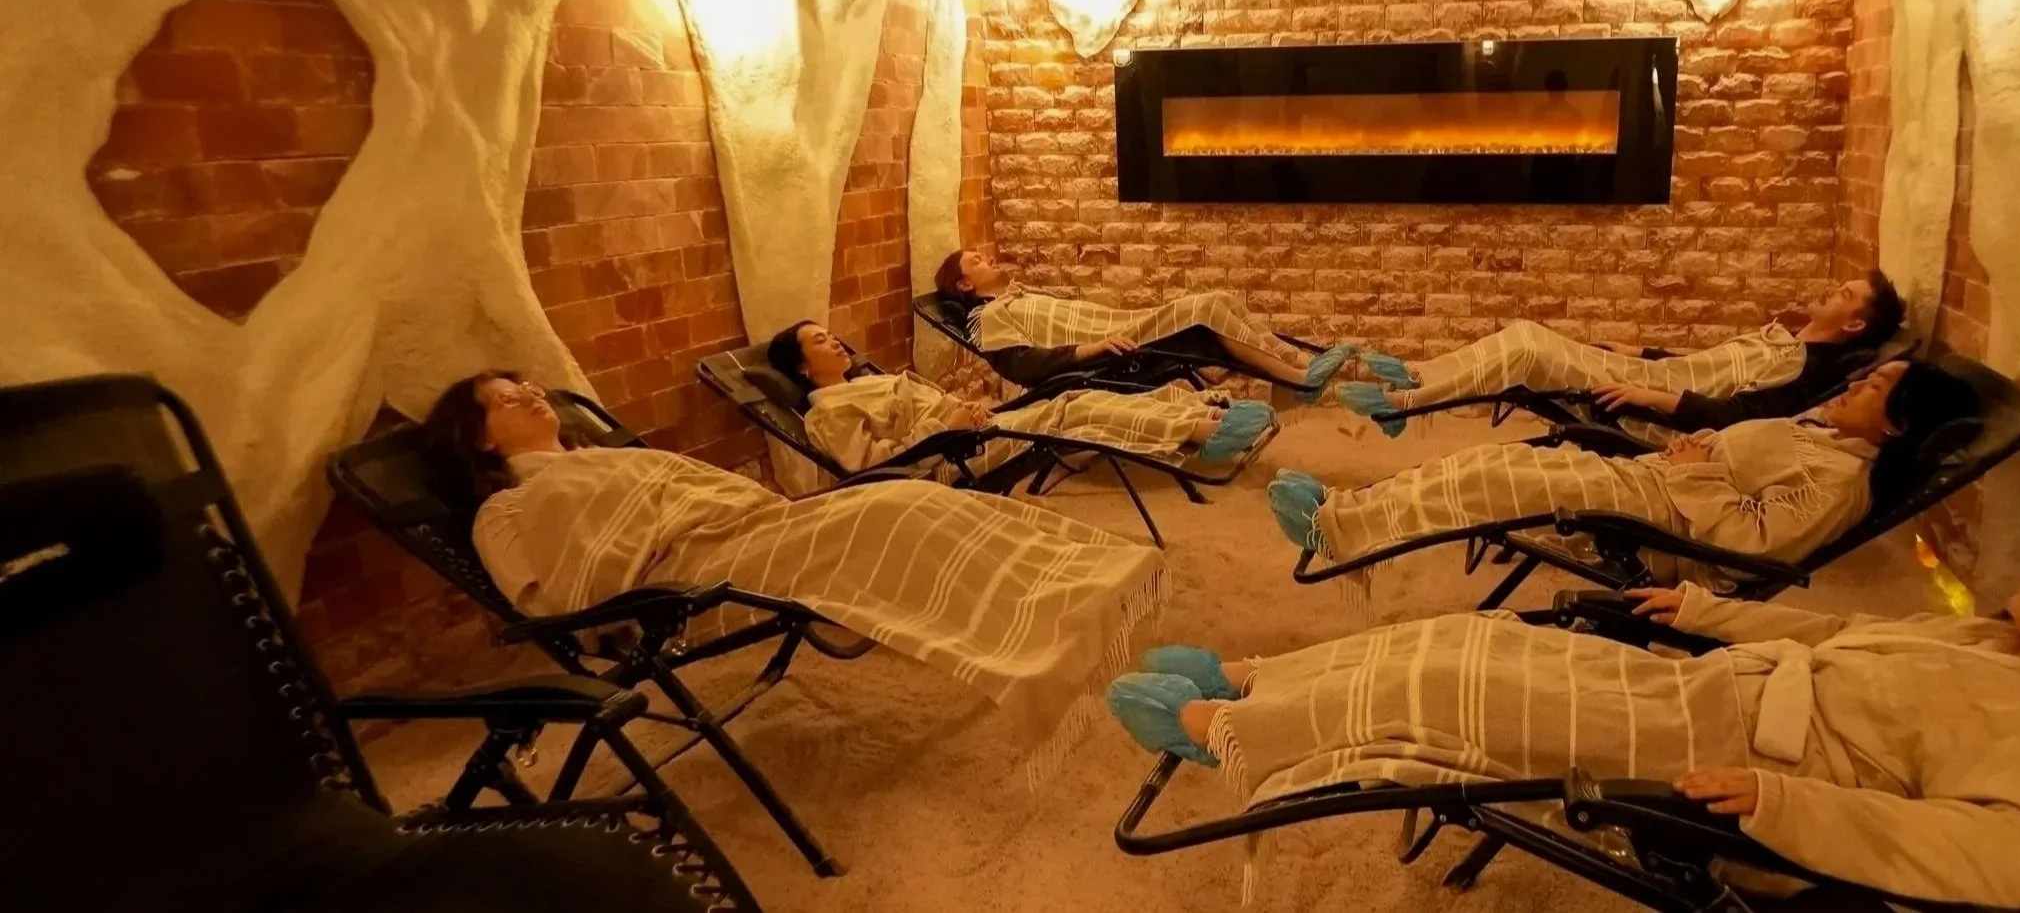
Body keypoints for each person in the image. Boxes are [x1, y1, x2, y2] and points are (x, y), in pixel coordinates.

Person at [1101, 514, 2020, 909]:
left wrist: (1786, 805)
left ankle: (1222, 737)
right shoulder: (1999, 645)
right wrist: (1702, 606)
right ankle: (1262, 681)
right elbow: (1830, 635)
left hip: (1735, 750)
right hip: (1716, 693)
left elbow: (2018, 865)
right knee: (1476, 637)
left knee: (1454, 695)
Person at [426, 371, 1164, 770]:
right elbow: (555, 601)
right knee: (894, 508)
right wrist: (632, 559)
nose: (524, 394)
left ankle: (1076, 593)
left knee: (902, 501)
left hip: (745, 531)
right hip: (688, 580)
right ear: (480, 441)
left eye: (521, 384)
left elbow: (697, 489)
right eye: (499, 400)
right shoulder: (509, 511)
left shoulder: (606, 460)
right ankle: (1044, 632)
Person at [1268, 360, 1977, 595]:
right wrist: (1704, 447)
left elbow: (1752, 547)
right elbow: (1739, 462)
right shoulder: (1825, 436)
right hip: (1658, 485)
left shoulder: (1840, 485)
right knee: (1498, 461)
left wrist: (1699, 472)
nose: (1857, 383)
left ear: (1897, 426)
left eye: (1876, 385)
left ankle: (1341, 531)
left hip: (1668, 530)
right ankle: (1347, 508)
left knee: (1504, 487)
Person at [1340, 271, 1908, 438]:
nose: (1831, 289)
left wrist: (1649, 394)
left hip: (1656, 408)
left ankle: (1404, 400)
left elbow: (1745, 421)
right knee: (1524, 333)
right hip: (1645, 371)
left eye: (1845, 295)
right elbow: (1708, 362)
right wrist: (1640, 349)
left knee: (1525, 347)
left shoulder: (1802, 367)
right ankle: (1417, 379)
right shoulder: (1786, 339)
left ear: (1855, 322)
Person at [766, 321, 1275, 481]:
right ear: (803, 368)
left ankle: (1199, 417)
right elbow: (872, 465)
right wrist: (945, 427)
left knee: (1075, 396)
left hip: (970, 430)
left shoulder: (863, 381)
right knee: (1069, 413)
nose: (835, 341)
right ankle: (1204, 432)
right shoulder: (827, 413)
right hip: (946, 459)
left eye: (831, 334)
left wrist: (960, 409)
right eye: (819, 341)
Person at [934, 249, 1359, 399]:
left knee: (1218, 298)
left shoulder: (1013, 297)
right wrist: (1092, 350)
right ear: (965, 283)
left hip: (1123, 324)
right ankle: (1297, 378)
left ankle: (1297, 362)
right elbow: (1021, 366)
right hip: (1111, 348)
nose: (987, 258)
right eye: (976, 261)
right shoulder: (987, 317)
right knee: (1204, 309)